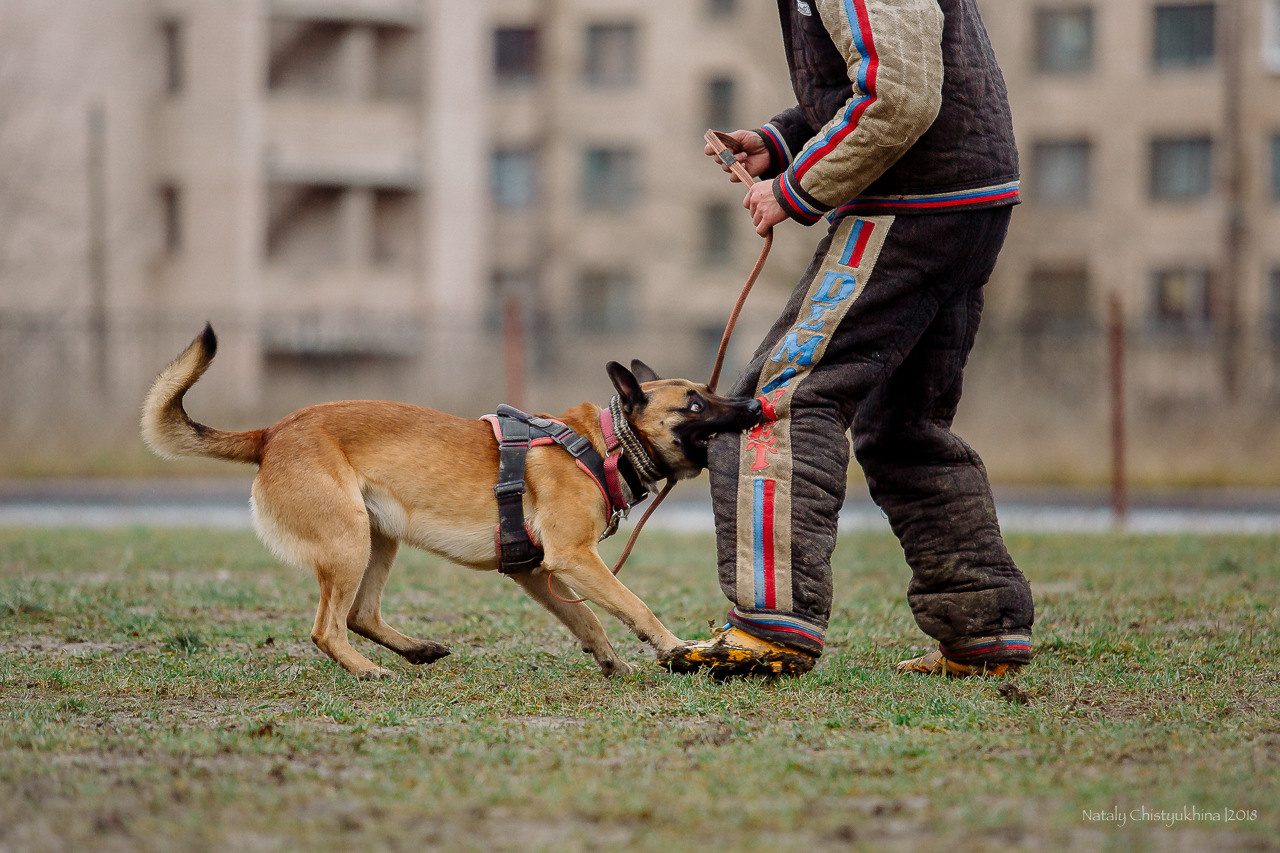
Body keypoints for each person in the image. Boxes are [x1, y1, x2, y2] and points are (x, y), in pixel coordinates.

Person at [663, 0, 1033, 678]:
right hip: (966, 199)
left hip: (913, 203)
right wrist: (780, 141)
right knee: (903, 424)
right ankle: (983, 630)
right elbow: (884, 74)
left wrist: (797, 188)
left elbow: (901, 96)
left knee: (776, 399)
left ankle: (771, 627)